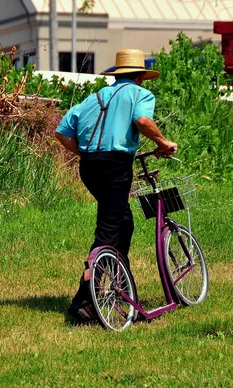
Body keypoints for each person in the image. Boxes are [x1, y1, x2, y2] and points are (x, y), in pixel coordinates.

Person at [55, 49, 177, 322]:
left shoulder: (95, 97)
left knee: (123, 222)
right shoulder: (140, 95)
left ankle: (123, 287)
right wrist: (163, 143)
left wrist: (87, 155)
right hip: (115, 166)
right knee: (108, 231)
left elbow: (61, 131)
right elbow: (143, 121)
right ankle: (85, 299)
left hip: (89, 166)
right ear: (141, 77)